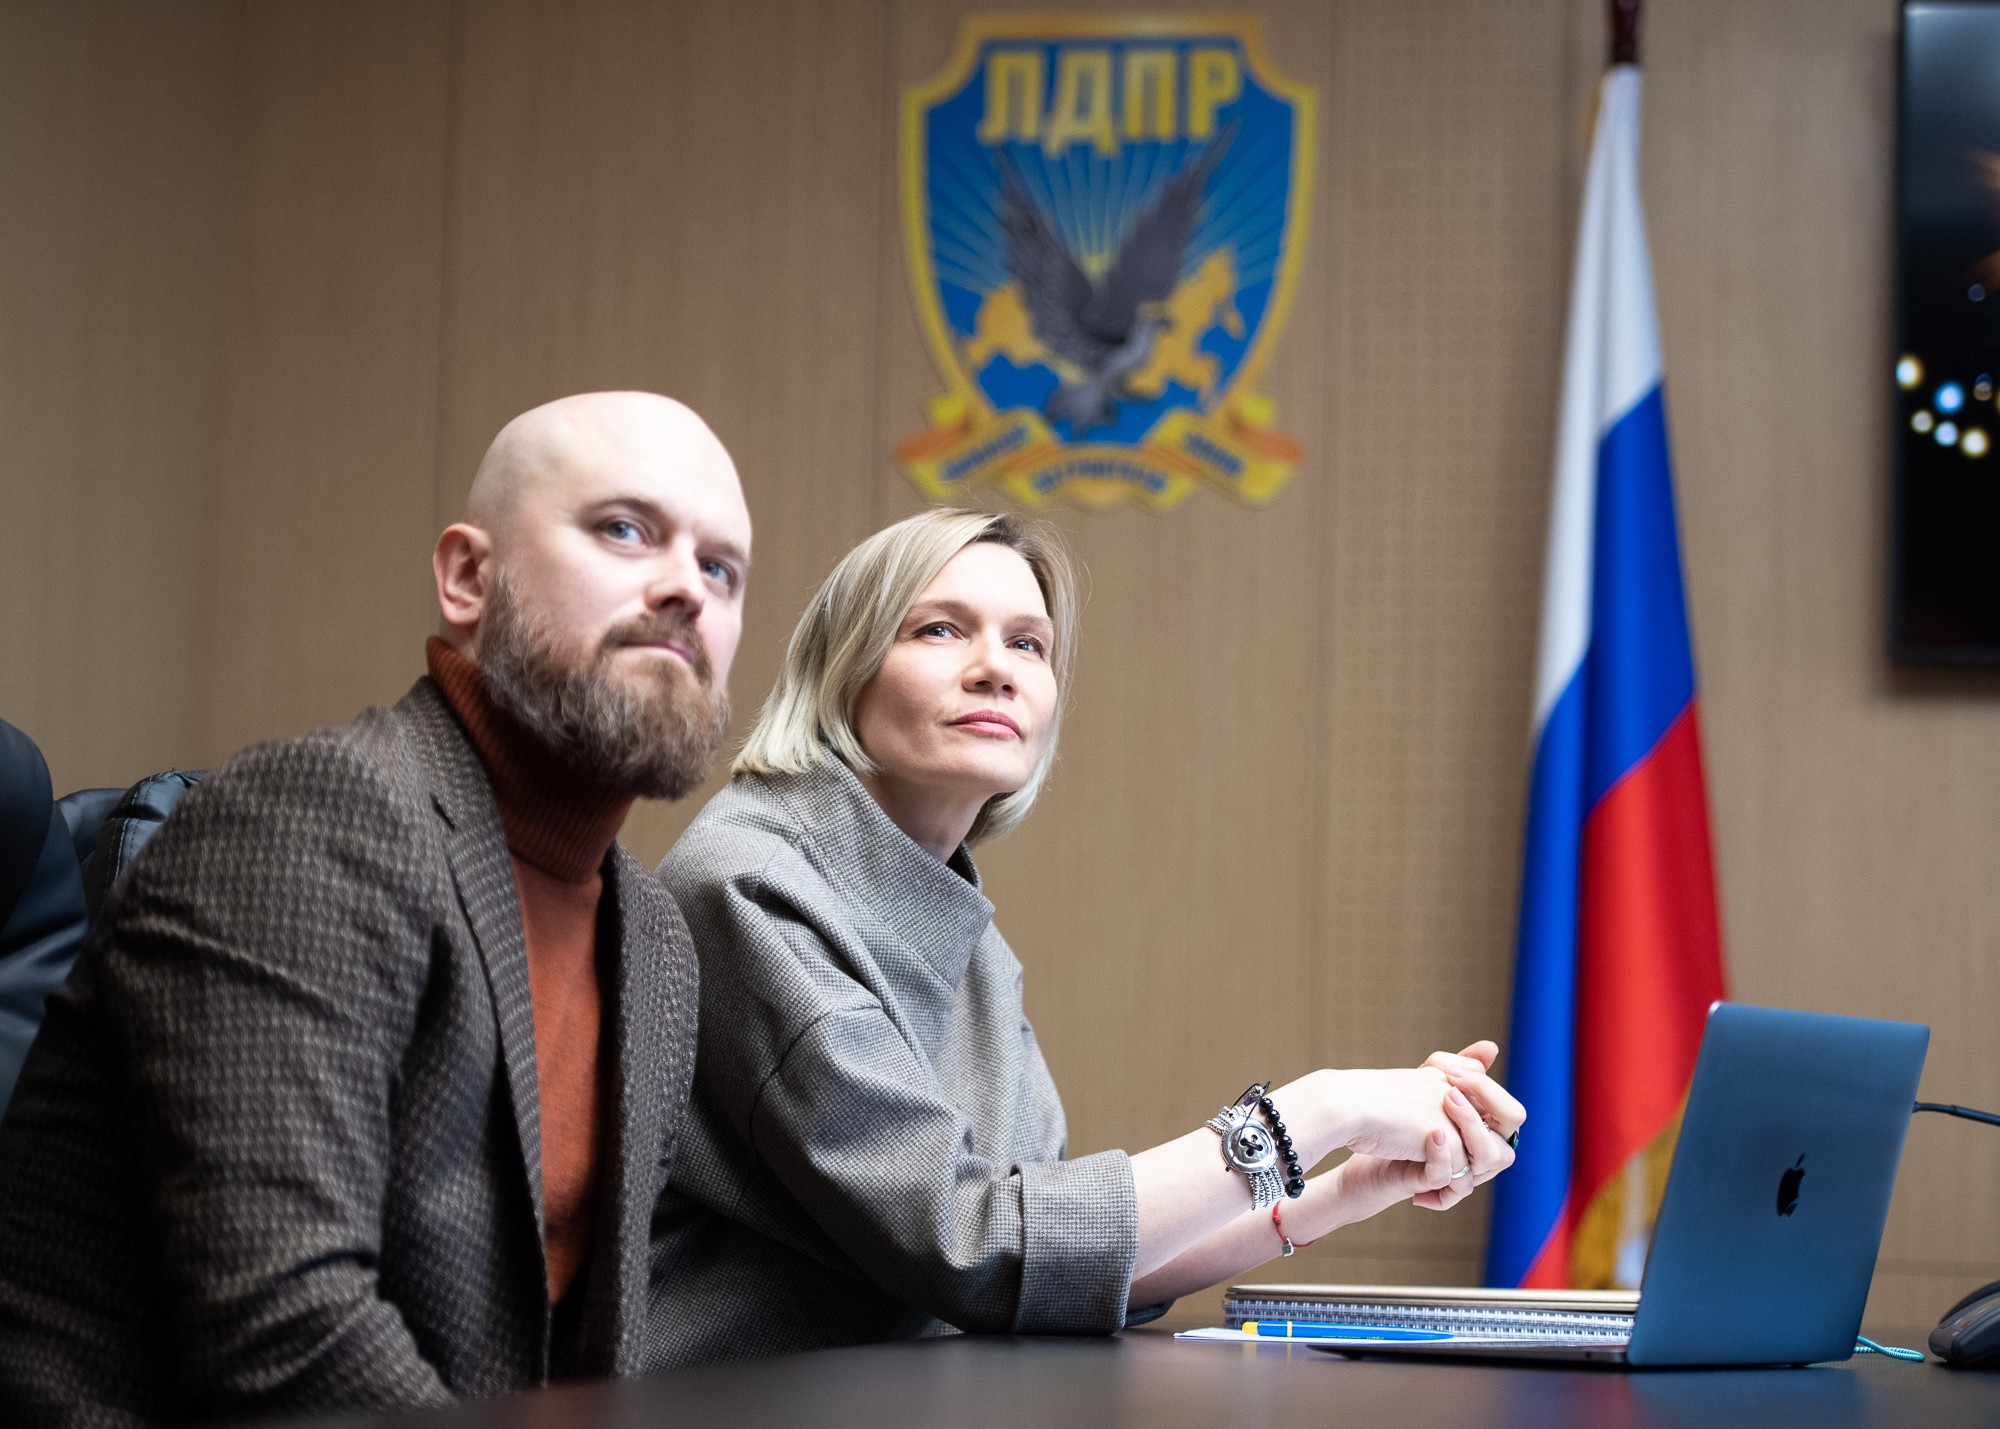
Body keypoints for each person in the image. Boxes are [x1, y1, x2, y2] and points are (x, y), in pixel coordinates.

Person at [0, 391, 752, 1424]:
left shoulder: (655, 938)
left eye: (721, 568)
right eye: (624, 529)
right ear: (467, 577)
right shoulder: (308, 817)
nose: (685, 588)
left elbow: (581, 1360)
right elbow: (286, 1338)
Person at [644, 508, 1523, 1367]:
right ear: (842, 672)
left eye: (1029, 643)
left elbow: (1061, 1260)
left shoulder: (962, 931)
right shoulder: (748, 884)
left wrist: (1343, 1189)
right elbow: (977, 1246)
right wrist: (1317, 1109)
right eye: (941, 629)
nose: (998, 669)